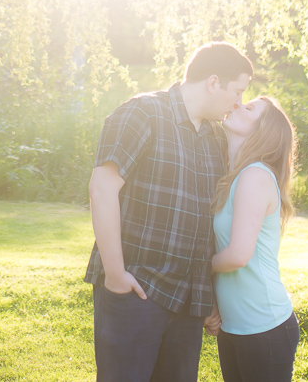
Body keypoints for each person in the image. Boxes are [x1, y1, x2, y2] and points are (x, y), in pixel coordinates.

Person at [86, 41, 253, 382]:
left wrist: (207, 298)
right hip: (137, 291)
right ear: (213, 82)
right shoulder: (142, 113)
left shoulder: (215, 138)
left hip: (188, 303)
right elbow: (102, 188)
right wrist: (116, 274)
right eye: (237, 91)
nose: (239, 103)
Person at [206, 96, 299, 382]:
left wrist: (193, 264)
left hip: (265, 326)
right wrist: (212, 307)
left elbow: (237, 255)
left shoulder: (254, 176)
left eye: (248, 108)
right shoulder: (231, 176)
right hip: (234, 326)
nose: (235, 104)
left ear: (263, 131)